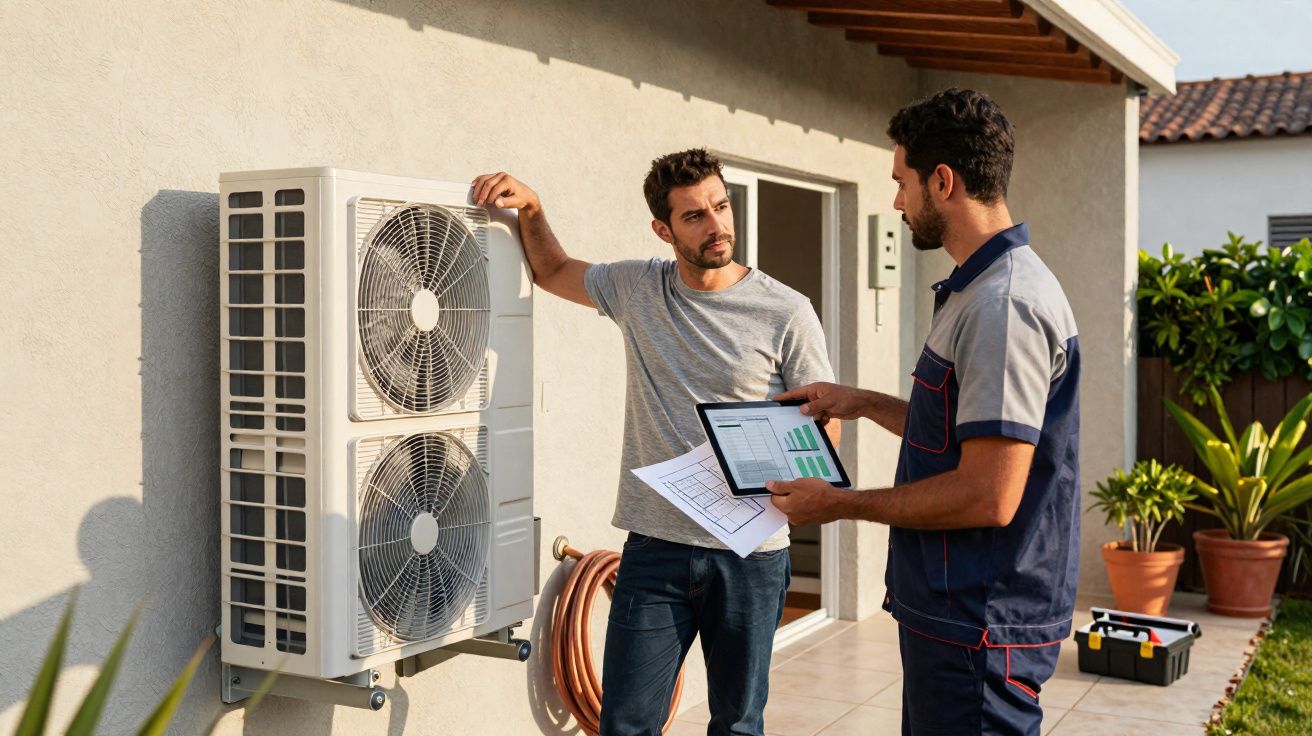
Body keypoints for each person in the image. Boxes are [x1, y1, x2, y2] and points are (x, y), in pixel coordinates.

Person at [472, 149, 837, 736]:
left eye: (720, 207)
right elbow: (553, 270)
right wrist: (533, 207)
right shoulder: (638, 287)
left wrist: (766, 455)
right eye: (694, 216)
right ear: (663, 229)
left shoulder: (786, 310)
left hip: (750, 555)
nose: (717, 225)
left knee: (738, 724)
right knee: (627, 723)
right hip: (655, 548)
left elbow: (825, 425)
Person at [765, 88, 1081, 736]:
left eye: (902, 183)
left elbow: (987, 493)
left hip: (979, 622)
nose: (896, 202)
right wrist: (863, 403)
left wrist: (838, 504)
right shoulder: (978, 291)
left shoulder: (1003, 305)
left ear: (944, 181)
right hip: (955, 614)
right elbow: (966, 434)